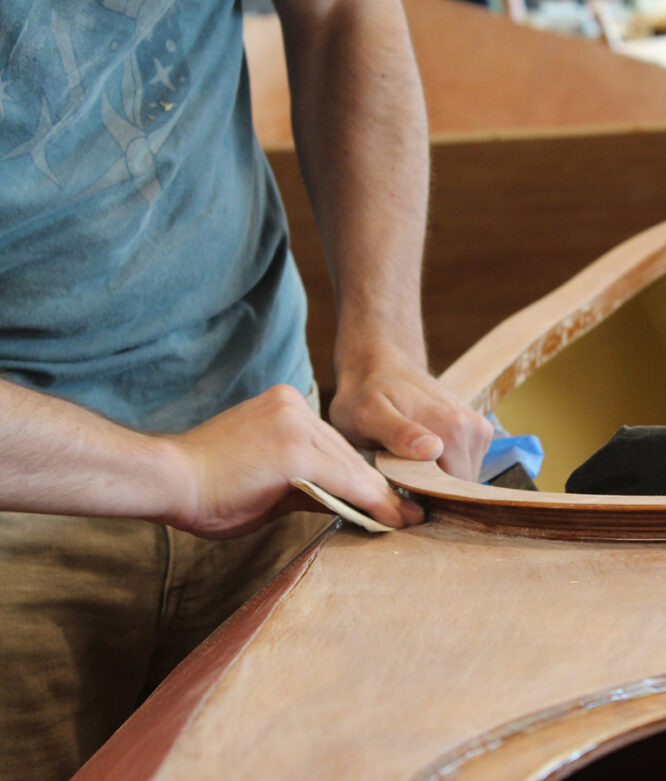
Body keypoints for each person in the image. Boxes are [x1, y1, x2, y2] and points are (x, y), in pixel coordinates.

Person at [0, 1, 492, 778]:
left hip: (276, 440)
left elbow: (338, 14)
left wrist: (385, 344)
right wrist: (181, 472)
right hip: (22, 506)